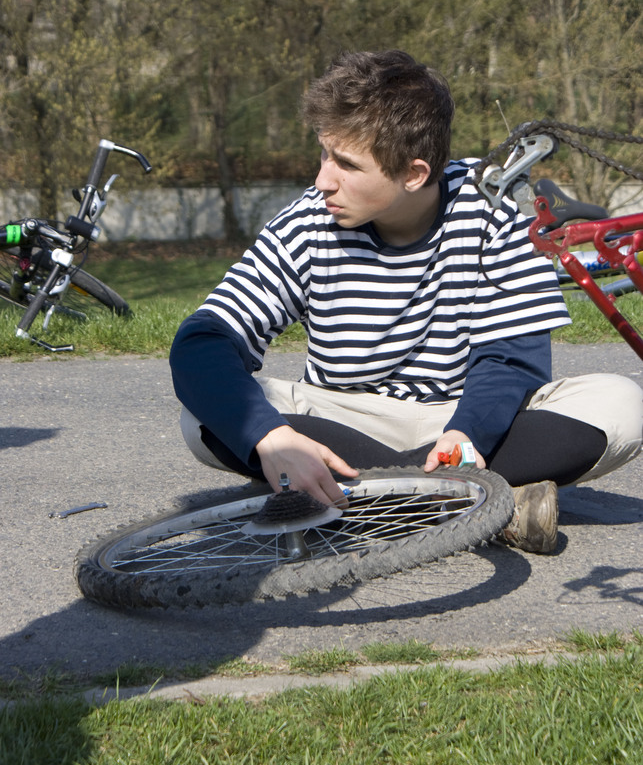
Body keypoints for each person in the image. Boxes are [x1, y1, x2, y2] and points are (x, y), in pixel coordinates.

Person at [170, 49, 642, 554]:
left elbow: (510, 360)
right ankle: (470, 504)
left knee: (622, 402)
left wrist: (468, 432)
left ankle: (360, 502)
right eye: (324, 154)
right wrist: (270, 439)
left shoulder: (493, 210)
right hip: (346, 420)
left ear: (414, 174)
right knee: (204, 418)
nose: (323, 180)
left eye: (346, 164)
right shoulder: (308, 223)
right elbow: (205, 340)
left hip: (465, 423)